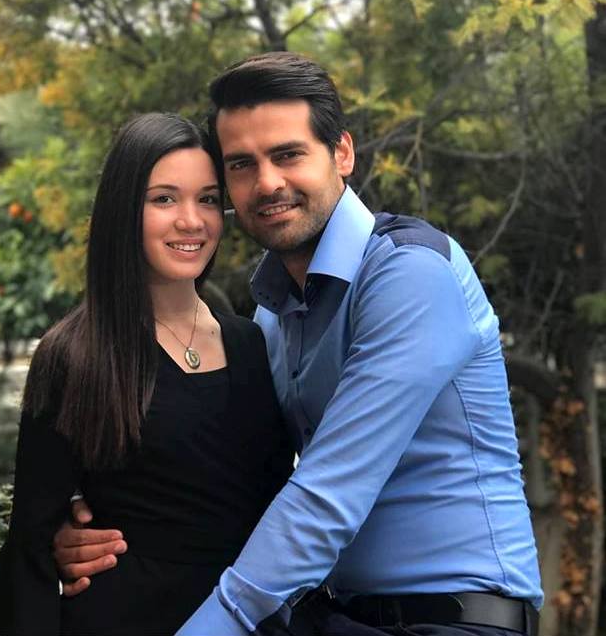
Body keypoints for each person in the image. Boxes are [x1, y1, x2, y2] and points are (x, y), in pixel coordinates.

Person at [55, 53, 543, 636]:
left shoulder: (411, 272)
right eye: (242, 165)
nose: (267, 183)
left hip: (458, 619)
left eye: (288, 154)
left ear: (342, 153)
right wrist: (88, 518)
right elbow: (222, 472)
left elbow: (327, 495)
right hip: (335, 615)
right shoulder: (271, 314)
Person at [0, 112, 293, 636]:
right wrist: (59, 541)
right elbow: (31, 540)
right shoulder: (75, 354)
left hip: (245, 619)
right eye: (164, 199)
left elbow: (279, 505)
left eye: (208, 199)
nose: (192, 220)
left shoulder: (250, 342)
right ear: (123, 210)